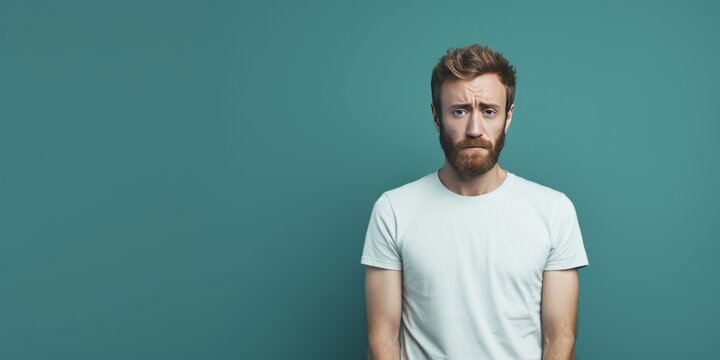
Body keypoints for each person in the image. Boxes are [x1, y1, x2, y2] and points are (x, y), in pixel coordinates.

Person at [361, 44, 589, 360]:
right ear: (436, 118)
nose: (474, 129)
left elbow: (560, 340)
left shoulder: (553, 210)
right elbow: (382, 339)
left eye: (489, 111)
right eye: (459, 111)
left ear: (508, 117)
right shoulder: (393, 210)